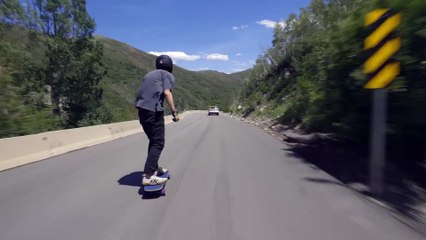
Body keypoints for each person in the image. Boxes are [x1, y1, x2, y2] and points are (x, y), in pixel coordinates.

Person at [135, 55, 180, 186]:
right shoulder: (167, 75)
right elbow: (167, 92)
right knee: (159, 142)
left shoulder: (149, 75)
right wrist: (174, 111)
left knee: (153, 140)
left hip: (142, 111)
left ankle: (153, 168)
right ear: (170, 66)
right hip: (153, 112)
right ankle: (148, 176)